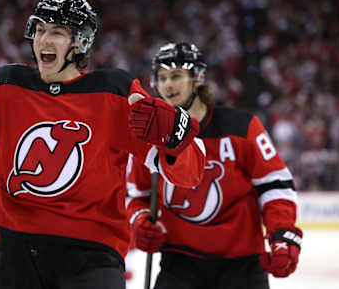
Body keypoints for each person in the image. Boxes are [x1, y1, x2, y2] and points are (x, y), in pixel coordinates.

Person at [0, 0, 206, 289]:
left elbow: (190, 174)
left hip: (91, 258)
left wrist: (175, 140)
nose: (43, 41)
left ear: (81, 43)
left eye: (57, 33)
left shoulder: (115, 92)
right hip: (17, 254)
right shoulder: (5, 85)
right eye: (39, 30)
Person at [127, 42, 302, 289]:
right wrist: (140, 220)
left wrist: (282, 234)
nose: (167, 84)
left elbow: (275, 186)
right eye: (162, 77)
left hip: (241, 265)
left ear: (197, 78)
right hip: (179, 264)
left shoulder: (242, 127)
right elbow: (137, 195)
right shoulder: (152, 134)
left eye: (176, 76)